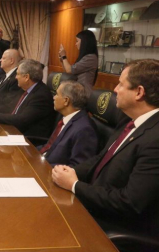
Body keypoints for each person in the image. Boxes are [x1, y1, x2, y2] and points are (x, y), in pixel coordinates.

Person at [52, 59, 159, 247]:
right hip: (92, 202)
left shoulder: (155, 138)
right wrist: (67, 171)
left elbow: (129, 202)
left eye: (121, 84)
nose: (115, 90)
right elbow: (101, 158)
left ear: (139, 92)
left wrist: (75, 185)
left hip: (114, 224)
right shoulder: (129, 120)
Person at [0, 59, 55, 138]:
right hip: (14, 131)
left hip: (28, 139)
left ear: (26, 77)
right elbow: (10, 106)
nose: (15, 77)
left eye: (18, 74)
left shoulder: (41, 95)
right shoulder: (25, 89)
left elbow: (22, 119)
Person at [41, 81, 98, 167]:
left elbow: (77, 167)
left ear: (66, 101)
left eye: (56, 94)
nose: (54, 97)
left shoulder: (84, 130)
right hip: (43, 161)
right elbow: (50, 146)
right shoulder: (65, 117)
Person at [58, 30, 98, 95]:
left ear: (85, 42)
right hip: (77, 91)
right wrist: (62, 60)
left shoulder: (91, 57)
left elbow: (69, 70)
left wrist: (64, 56)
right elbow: (69, 71)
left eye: (77, 41)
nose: (75, 44)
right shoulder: (85, 57)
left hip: (83, 93)